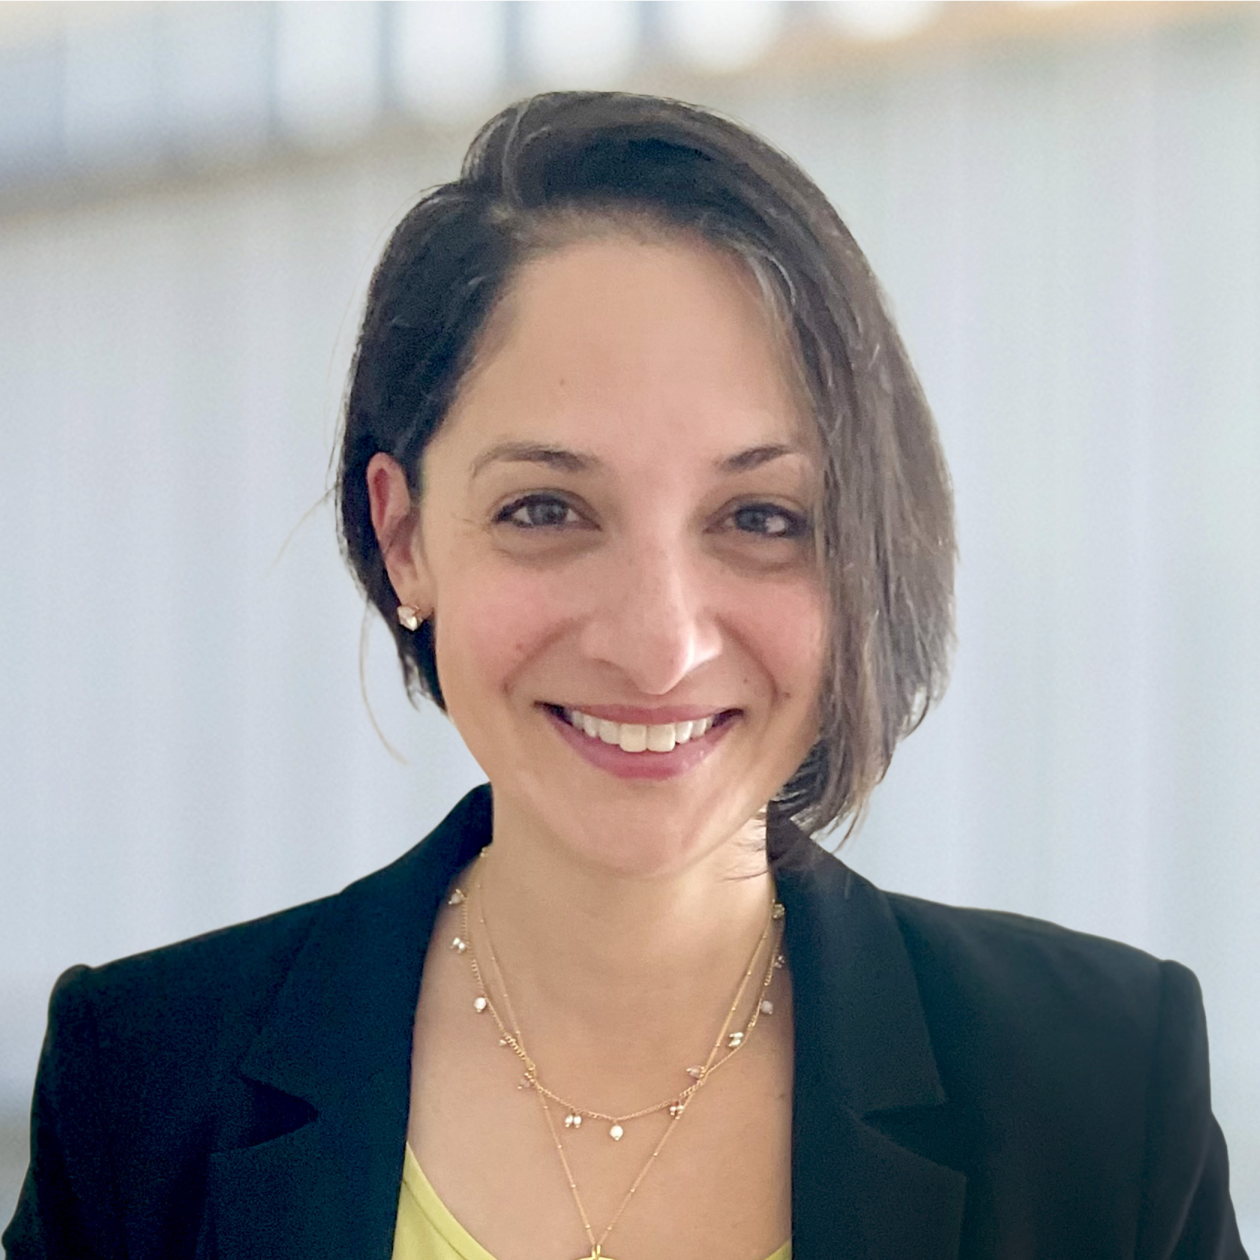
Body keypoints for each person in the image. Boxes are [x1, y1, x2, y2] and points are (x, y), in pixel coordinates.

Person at [3, 91, 1247, 1260]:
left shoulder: (1097, 1090)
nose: (659, 644)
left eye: (761, 517)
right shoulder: (141, 1085)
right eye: (546, 507)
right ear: (403, 538)